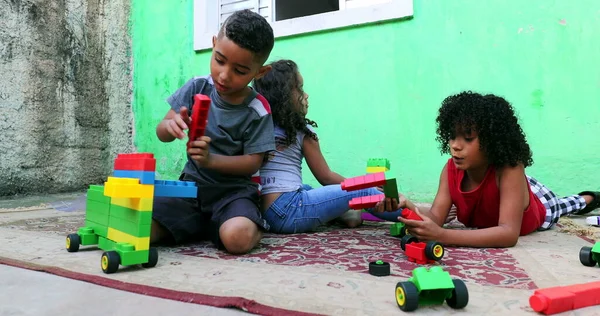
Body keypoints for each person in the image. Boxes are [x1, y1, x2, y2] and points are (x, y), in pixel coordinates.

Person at [396, 91, 599, 247]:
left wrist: (443, 236)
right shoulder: (450, 170)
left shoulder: (510, 169)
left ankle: (592, 197)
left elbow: (508, 234)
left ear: (492, 140)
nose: (456, 145)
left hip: (540, 202)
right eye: (452, 136)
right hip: (511, 186)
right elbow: (435, 218)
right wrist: (407, 204)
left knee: (567, 204)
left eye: (468, 138)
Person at [150, 10, 276, 254]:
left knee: (237, 238)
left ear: (259, 72)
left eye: (240, 71)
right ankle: (199, 223)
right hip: (190, 191)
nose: (224, 75)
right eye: (219, 60)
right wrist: (171, 124)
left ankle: (247, 222)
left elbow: (252, 163)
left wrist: (211, 160)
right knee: (140, 224)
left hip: (233, 194)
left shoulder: (257, 109)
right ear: (214, 44)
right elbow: (161, 132)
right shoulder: (197, 87)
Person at [252, 60, 413, 234]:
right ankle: (416, 215)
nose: (306, 95)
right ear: (283, 96)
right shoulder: (302, 131)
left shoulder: (259, 125)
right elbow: (326, 177)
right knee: (363, 192)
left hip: (264, 211)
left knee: (308, 189)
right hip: (289, 211)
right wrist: (367, 188)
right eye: (300, 88)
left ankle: (347, 216)